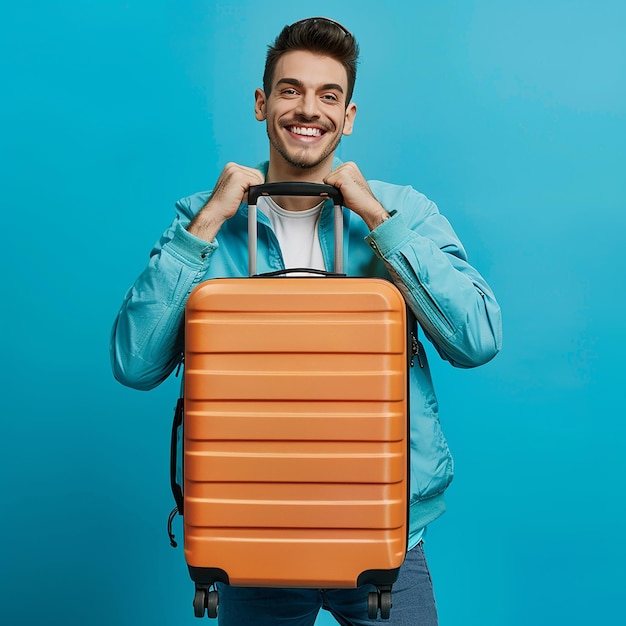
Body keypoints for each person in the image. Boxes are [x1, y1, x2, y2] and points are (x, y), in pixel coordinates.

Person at [111, 16, 502, 626]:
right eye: (290, 90)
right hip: (252, 531)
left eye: (328, 95)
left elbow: (477, 338)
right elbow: (135, 364)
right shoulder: (203, 219)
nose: (307, 110)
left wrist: (378, 217)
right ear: (263, 103)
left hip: (384, 533)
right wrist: (208, 225)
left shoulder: (404, 212)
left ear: (347, 116)